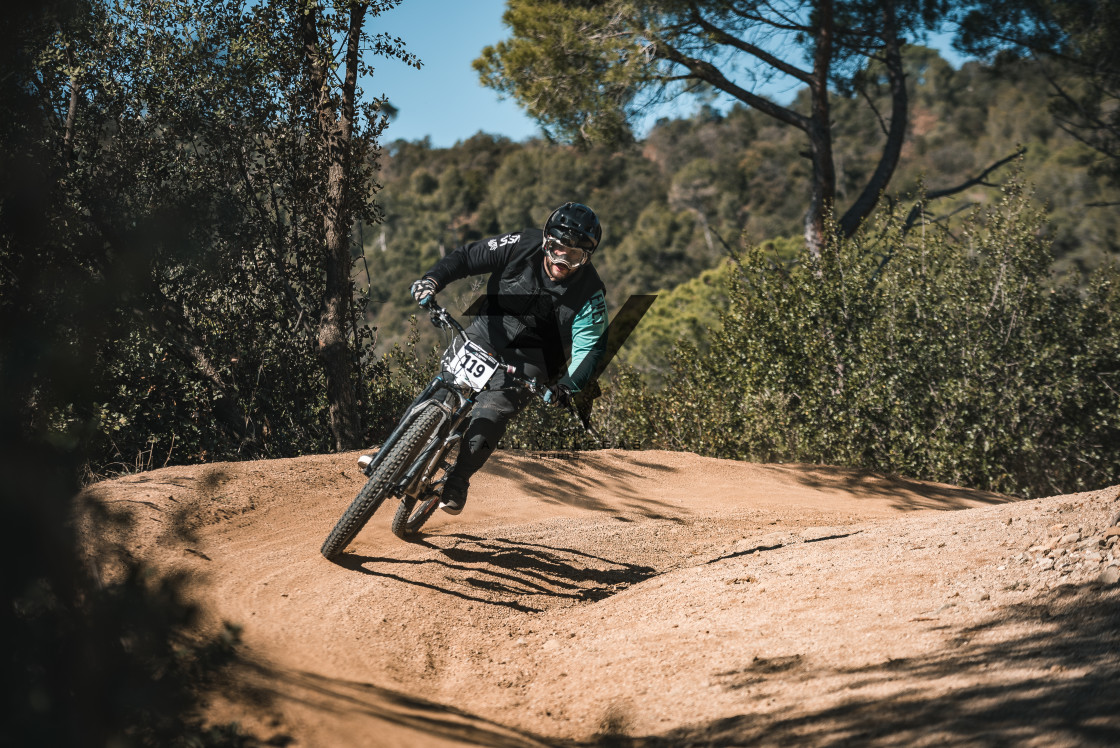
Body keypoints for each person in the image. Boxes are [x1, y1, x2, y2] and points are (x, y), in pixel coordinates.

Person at [367, 202, 609, 515]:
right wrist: (432, 280)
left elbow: (590, 349)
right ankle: (396, 448)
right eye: (558, 248)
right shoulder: (522, 244)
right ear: (547, 240)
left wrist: (566, 387)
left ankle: (458, 479)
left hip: (534, 359)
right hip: (489, 331)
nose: (562, 260)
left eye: (575, 256)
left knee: (492, 414)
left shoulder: (591, 294)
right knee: (443, 387)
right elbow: (467, 257)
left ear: (586, 258)